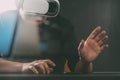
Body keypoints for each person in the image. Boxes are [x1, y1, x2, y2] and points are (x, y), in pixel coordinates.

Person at [0, 0, 109, 74]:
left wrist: (85, 61)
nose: (40, 16)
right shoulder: (4, 20)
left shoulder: (62, 25)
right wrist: (21, 67)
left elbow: (78, 70)